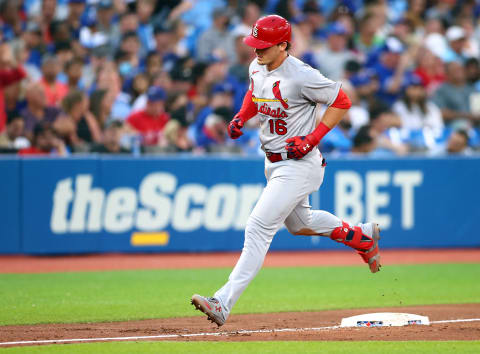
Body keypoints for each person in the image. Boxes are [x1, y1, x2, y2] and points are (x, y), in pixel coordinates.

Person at [191, 15, 382, 327]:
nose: (257, 51)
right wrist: (242, 116)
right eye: (255, 45)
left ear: (283, 45)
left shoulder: (302, 75)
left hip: (300, 163)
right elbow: (255, 93)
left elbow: (341, 100)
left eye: (264, 46)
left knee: (258, 226)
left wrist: (311, 138)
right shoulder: (258, 65)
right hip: (273, 160)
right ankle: (361, 236)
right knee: (300, 223)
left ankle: (222, 302)